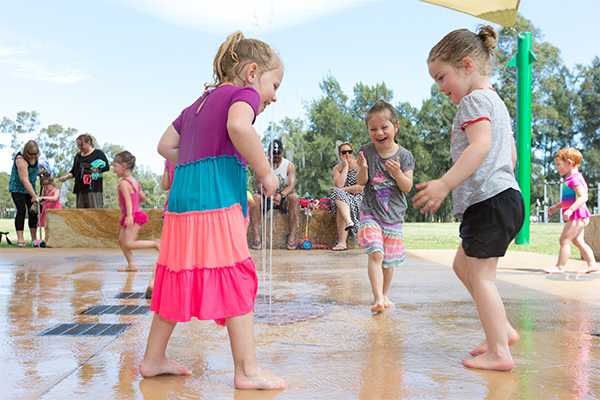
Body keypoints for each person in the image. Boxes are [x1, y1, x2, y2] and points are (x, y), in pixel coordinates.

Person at [140, 31, 288, 390]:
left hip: (182, 205)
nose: (274, 95)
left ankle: (153, 358)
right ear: (253, 73)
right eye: (274, 84)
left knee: (176, 275)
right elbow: (239, 125)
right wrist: (265, 172)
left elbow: (165, 145)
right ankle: (248, 371)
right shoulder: (243, 94)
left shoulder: (198, 104)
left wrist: (198, 161)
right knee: (236, 276)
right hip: (216, 203)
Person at [412, 26, 525, 371]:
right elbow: (512, 155)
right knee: (464, 266)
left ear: (466, 65)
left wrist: (445, 183)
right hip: (502, 197)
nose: (440, 86)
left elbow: (481, 146)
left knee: (482, 277)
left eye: (441, 76)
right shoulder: (496, 102)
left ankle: (500, 353)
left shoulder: (474, 101)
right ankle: (501, 331)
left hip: (489, 201)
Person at [356, 100, 414, 313]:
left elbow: (407, 187)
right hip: (370, 213)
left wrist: (398, 172)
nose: (379, 132)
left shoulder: (405, 156)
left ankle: (385, 293)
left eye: (384, 127)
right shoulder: (366, 152)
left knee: (388, 263)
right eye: (373, 129)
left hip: (393, 216)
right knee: (376, 253)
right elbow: (362, 182)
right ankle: (378, 298)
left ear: (395, 127)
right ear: (368, 131)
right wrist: (362, 168)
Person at [543, 147, 598, 274]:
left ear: (569, 162)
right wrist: (557, 207)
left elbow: (583, 197)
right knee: (578, 241)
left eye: (558, 164)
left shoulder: (574, 179)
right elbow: (570, 200)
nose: (556, 168)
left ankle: (559, 267)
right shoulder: (571, 179)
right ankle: (592, 264)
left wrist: (571, 210)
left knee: (564, 240)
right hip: (580, 216)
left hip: (577, 216)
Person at [113, 151, 160, 272]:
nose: (113, 169)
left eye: (115, 166)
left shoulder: (124, 183)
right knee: (121, 241)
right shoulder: (134, 181)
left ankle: (155, 244)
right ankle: (132, 265)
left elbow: (128, 200)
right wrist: (134, 206)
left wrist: (129, 215)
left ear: (123, 166)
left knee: (128, 243)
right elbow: (142, 197)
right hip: (133, 214)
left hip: (132, 216)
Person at [249, 139, 300, 250]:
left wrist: (281, 196)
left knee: (294, 198)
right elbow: (258, 184)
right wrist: (269, 194)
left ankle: (291, 237)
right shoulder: (261, 165)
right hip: (265, 197)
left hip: (282, 198)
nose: (276, 155)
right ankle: (257, 237)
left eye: (278, 152)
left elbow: (291, 186)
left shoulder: (289, 166)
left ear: (282, 151)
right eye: (273, 152)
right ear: (268, 151)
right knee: (255, 198)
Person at [145, 159, 175, 298]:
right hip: (192, 209)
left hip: (171, 208)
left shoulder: (169, 159)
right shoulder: (194, 153)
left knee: (166, 251)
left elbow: (165, 185)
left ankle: (153, 281)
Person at [57, 134, 110, 208]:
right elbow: (74, 172)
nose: (79, 147)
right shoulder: (78, 157)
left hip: (93, 189)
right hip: (80, 190)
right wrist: (66, 177)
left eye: (82, 145)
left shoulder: (98, 153)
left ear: (88, 143)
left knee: (94, 214)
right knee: (81, 215)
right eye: (78, 145)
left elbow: (106, 167)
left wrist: (93, 170)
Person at [330, 140, 364, 251]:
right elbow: (338, 183)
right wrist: (345, 167)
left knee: (338, 193)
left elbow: (360, 188)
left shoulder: (358, 165)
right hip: (342, 199)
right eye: (344, 152)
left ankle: (342, 242)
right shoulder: (337, 168)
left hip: (357, 197)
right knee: (339, 195)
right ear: (340, 154)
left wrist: (342, 190)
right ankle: (349, 221)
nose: (347, 155)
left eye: (349, 152)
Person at [8, 140, 40, 246]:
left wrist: (41, 172)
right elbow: (24, 180)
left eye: (35, 153)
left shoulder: (36, 157)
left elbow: (33, 171)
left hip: (31, 187)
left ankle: (34, 239)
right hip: (17, 188)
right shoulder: (20, 159)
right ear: (26, 152)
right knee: (21, 210)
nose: (33, 156)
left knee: (33, 212)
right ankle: (20, 240)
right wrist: (35, 197)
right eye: (31, 154)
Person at [37, 174, 63, 240]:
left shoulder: (56, 191)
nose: (46, 189)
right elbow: (42, 198)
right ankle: (48, 238)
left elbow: (54, 198)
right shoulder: (45, 192)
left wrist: (44, 197)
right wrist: (39, 199)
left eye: (47, 187)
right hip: (47, 209)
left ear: (52, 184)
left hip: (55, 209)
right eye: (44, 188)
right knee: (47, 225)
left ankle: (57, 238)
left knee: (56, 225)